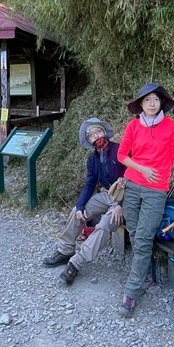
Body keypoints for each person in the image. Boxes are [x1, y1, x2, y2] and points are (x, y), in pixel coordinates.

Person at [117, 82, 174, 318]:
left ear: (162, 103)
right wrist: (142, 168)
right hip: (131, 184)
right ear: (140, 104)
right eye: (147, 100)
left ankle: (132, 291)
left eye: (156, 99)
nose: (152, 104)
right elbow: (122, 156)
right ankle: (146, 271)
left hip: (156, 190)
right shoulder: (133, 126)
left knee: (141, 238)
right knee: (135, 232)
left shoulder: (172, 126)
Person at [41, 117, 125, 286]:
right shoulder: (92, 159)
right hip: (106, 193)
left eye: (98, 131)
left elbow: (132, 176)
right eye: (91, 134)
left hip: (125, 196)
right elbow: (89, 184)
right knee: (78, 212)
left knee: (105, 224)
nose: (96, 135)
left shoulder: (119, 150)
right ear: (89, 140)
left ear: (105, 132)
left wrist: (120, 205)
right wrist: (80, 206)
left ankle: (76, 262)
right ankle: (65, 249)